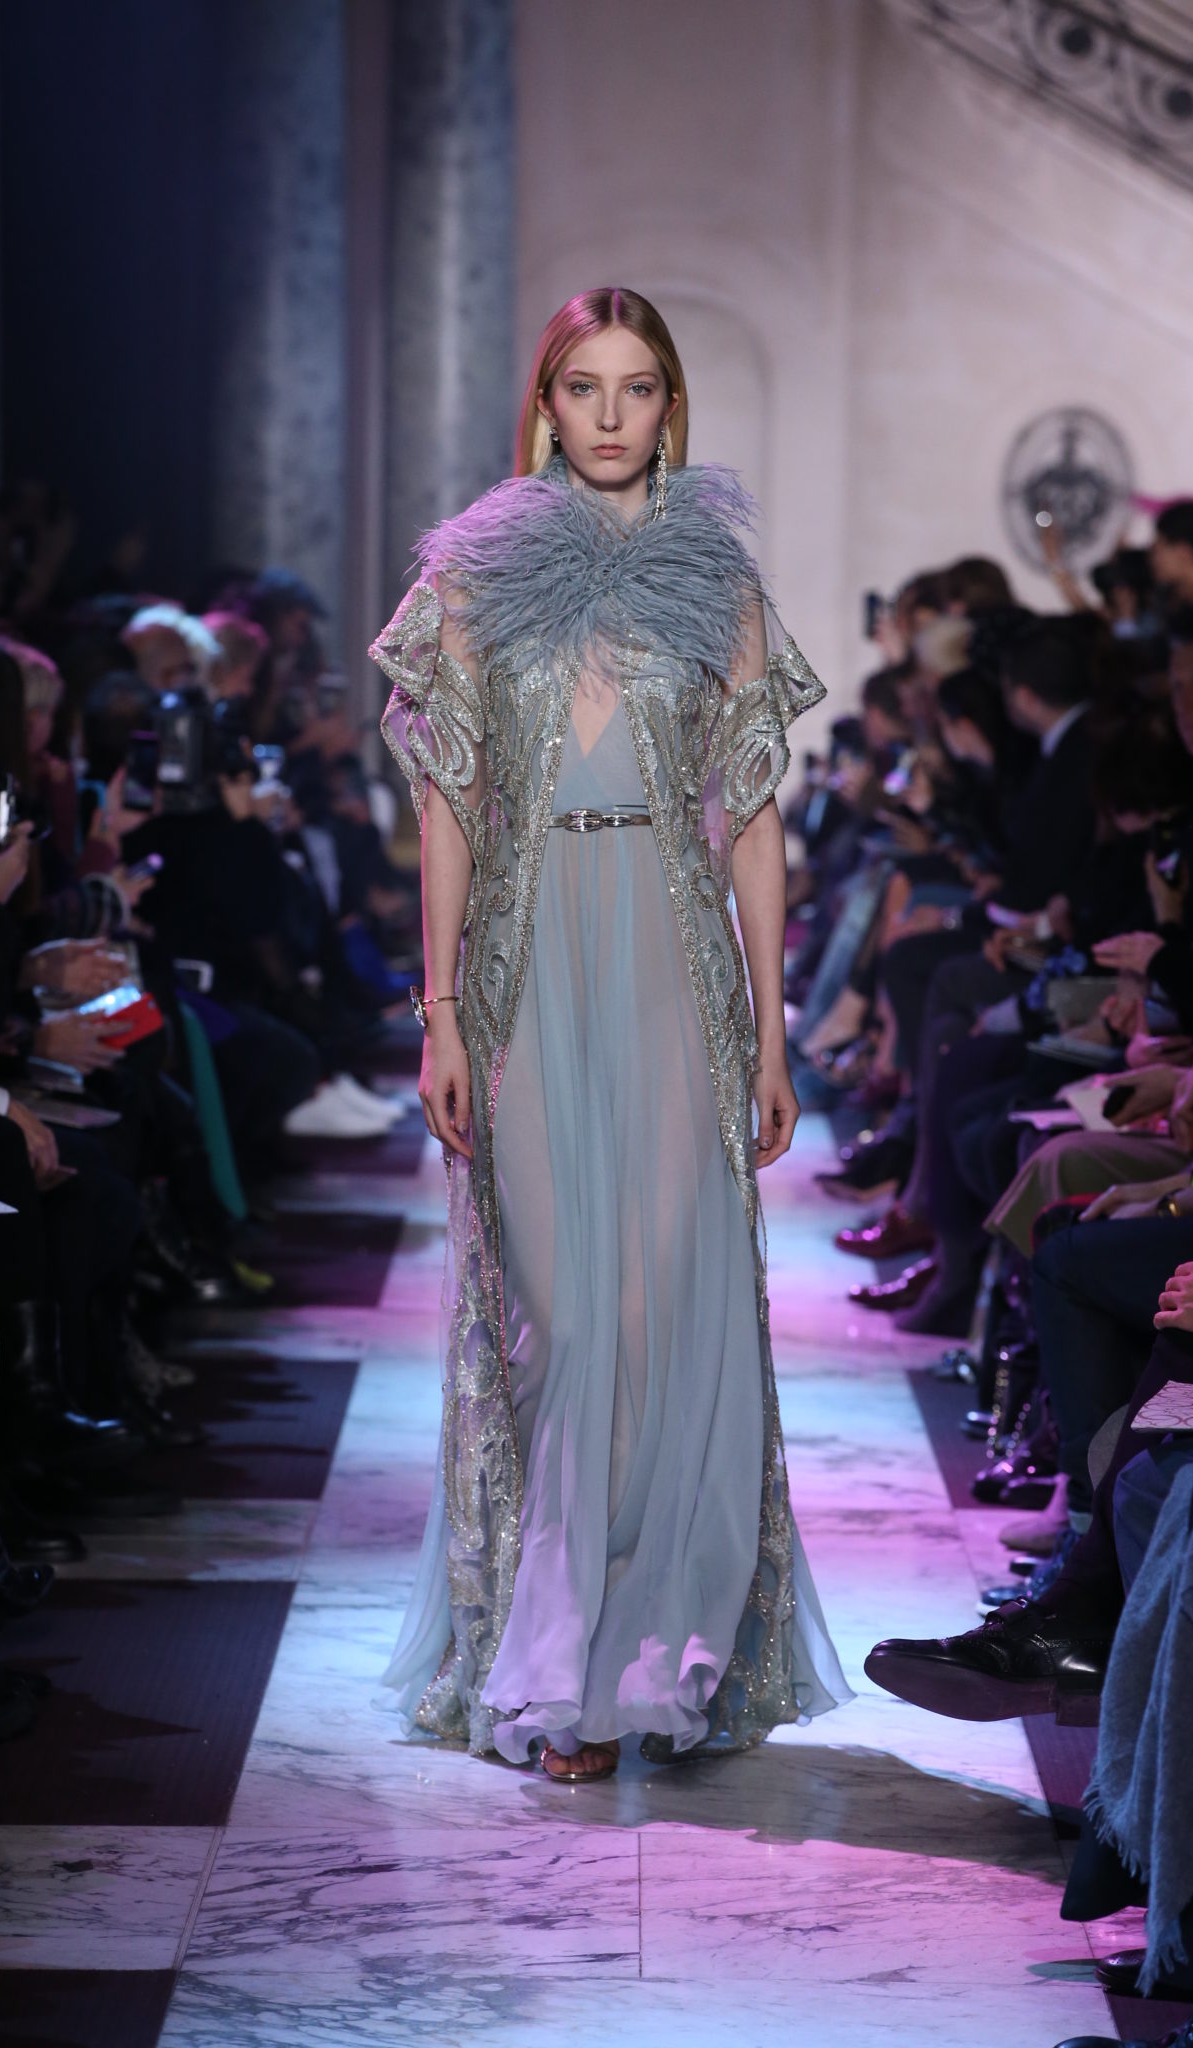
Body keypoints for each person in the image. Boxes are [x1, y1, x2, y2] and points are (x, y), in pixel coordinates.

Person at [373, 286, 849, 1781]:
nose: (610, 415)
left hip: (666, 955)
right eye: (584, 386)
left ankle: (643, 1657)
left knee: (656, 1319)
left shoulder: (719, 582)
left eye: (637, 388)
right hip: (524, 961)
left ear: (670, 407)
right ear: (544, 402)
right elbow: (447, 809)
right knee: (559, 1322)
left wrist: (772, 1034)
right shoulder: (468, 576)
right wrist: (439, 1011)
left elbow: (752, 823)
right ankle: (550, 1652)